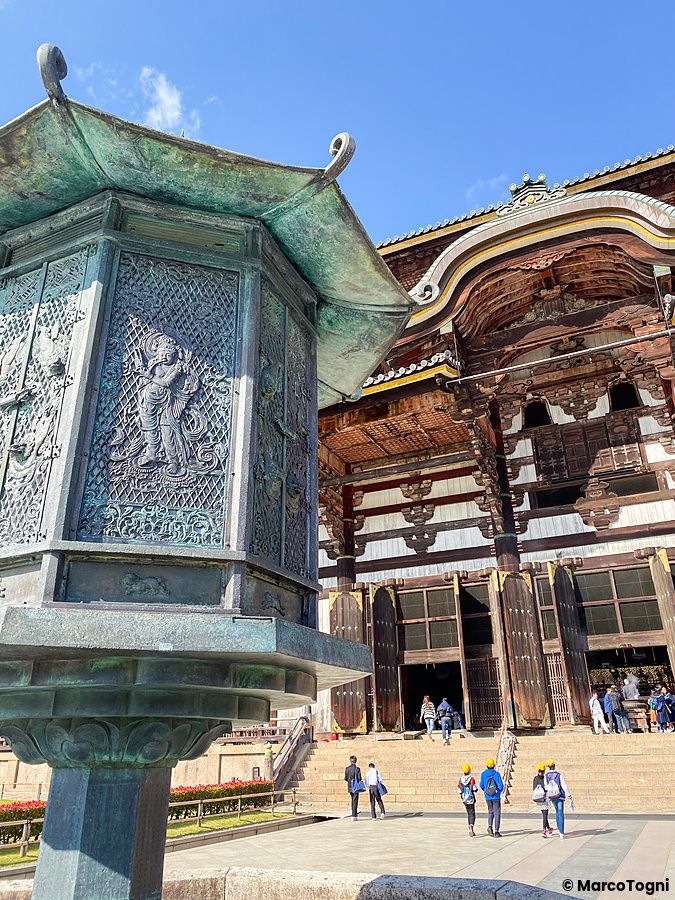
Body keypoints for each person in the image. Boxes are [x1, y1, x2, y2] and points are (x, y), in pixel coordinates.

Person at [544, 758, 572, 839]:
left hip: (552, 796)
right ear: (554, 766)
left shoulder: (546, 776)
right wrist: (569, 794)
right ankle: (561, 832)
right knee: (560, 812)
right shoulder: (559, 775)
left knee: (557, 811)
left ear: (548, 767)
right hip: (560, 795)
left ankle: (559, 830)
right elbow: (564, 785)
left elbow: (546, 786)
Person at [479, 757, 504, 837]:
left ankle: (489, 826)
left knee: (490, 811)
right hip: (496, 796)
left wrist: (486, 792)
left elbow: (481, 785)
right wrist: (497, 792)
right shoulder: (496, 774)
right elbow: (501, 786)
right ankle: (496, 831)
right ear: (494, 765)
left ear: (487, 766)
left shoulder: (483, 774)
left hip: (488, 796)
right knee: (497, 813)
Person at [457, 763, 478, 836]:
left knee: (468, 813)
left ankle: (469, 826)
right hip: (471, 799)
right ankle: (471, 826)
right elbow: (475, 788)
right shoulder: (471, 779)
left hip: (464, 799)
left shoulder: (461, 779)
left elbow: (459, 790)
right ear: (469, 770)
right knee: (472, 813)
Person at [532, 763, 552, 837]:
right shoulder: (545, 778)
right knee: (545, 815)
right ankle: (544, 830)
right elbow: (547, 788)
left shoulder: (535, 778)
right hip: (544, 798)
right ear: (544, 771)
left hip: (538, 799)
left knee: (544, 814)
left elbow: (534, 788)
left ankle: (549, 828)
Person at [344, 755, 362, 821]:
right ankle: (354, 815)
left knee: (352, 800)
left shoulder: (347, 768)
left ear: (350, 761)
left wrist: (349, 781)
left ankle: (354, 814)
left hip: (350, 787)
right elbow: (359, 778)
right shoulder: (357, 769)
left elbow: (345, 778)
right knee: (355, 801)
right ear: (356, 761)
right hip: (356, 787)